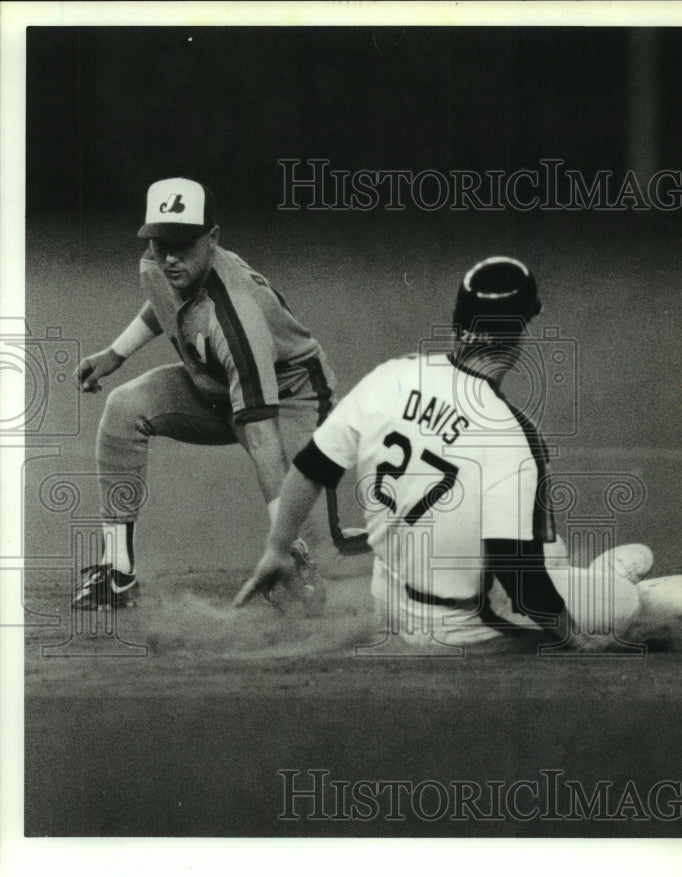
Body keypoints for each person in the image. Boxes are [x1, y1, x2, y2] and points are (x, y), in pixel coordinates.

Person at [234, 255, 639, 649]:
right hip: (459, 631)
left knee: (541, 549)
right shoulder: (512, 434)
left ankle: (571, 571)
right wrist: (578, 640)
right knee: (620, 599)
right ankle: (604, 579)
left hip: (390, 610)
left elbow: (310, 468)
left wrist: (277, 549)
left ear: (457, 326)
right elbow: (520, 579)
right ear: (517, 337)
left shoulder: (390, 378)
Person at [72, 177, 365, 611]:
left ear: (212, 238)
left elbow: (262, 438)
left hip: (292, 397)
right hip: (216, 387)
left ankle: (424, 543)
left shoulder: (236, 317)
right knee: (123, 407)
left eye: (184, 244)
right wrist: (116, 353)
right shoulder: (159, 264)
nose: (170, 258)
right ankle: (116, 569)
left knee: (325, 555)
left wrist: (281, 545)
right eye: (161, 243)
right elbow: (165, 300)